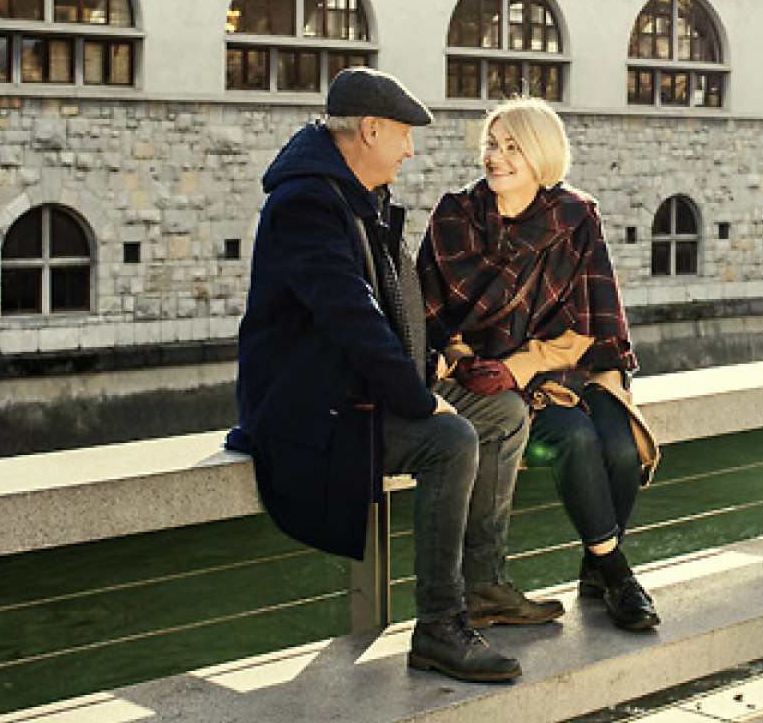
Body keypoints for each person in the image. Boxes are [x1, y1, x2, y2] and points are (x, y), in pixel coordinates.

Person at [227, 68, 559, 686]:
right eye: (404, 135)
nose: (410, 150)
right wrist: (418, 398)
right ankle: (439, 626)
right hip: (315, 409)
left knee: (505, 413)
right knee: (451, 438)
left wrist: (436, 358)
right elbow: (349, 314)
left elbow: (393, 303)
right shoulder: (307, 203)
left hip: (361, 390)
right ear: (371, 129)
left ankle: (484, 584)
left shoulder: (356, 194)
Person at [418, 98, 663, 632]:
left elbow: (591, 320)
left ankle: (596, 567)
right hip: (485, 383)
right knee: (574, 439)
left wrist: (524, 363)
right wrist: (466, 363)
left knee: (621, 447)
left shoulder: (576, 216)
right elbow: (431, 318)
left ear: (542, 156)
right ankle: (617, 573)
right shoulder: (453, 216)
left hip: (564, 365)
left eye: (512, 148)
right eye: (491, 144)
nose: (495, 158)